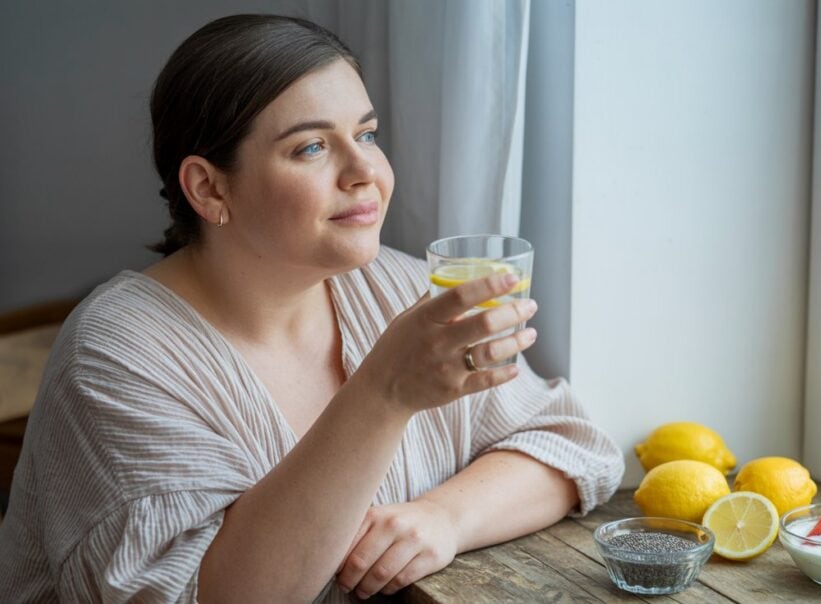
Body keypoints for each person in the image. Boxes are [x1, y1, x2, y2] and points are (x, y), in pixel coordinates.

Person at [0, 14, 623, 603]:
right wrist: (385, 391)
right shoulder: (115, 355)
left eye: (367, 134)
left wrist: (446, 517)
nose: (364, 172)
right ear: (208, 187)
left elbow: (571, 446)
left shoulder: (396, 288)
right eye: (310, 148)